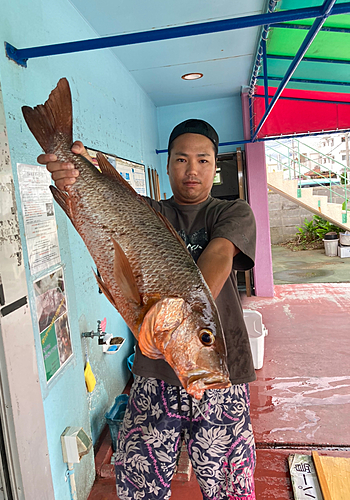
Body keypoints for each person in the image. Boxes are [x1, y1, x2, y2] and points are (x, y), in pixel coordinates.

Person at [38, 119, 257, 500]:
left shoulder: (232, 213)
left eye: (203, 160)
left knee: (229, 485)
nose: (192, 170)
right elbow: (104, 206)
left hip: (219, 374)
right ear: (167, 165)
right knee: (138, 483)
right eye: (181, 159)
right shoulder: (148, 212)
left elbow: (220, 255)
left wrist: (180, 316)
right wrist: (73, 173)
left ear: (214, 167)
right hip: (154, 375)